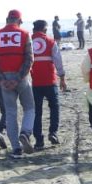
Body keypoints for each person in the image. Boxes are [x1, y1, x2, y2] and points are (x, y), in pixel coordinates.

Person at [0, 9, 35, 157]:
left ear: (7, 19)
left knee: (10, 113)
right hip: (20, 78)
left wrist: (2, 79)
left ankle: (16, 148)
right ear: (20, 21)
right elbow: (29, 59)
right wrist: (18, 78)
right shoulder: (24, 34)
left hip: (4, 79)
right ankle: (25, 133)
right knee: (29, 108)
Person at [31, 19, 67, 150]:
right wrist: (62, 77)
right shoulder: (51, 42)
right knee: (54, 108)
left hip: (34, 82)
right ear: (45, 30)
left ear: (34, 30)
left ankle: (38, 140)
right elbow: (58, 61)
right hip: (50, 81)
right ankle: (53, 133)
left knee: (36, 112)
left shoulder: (27, 41)